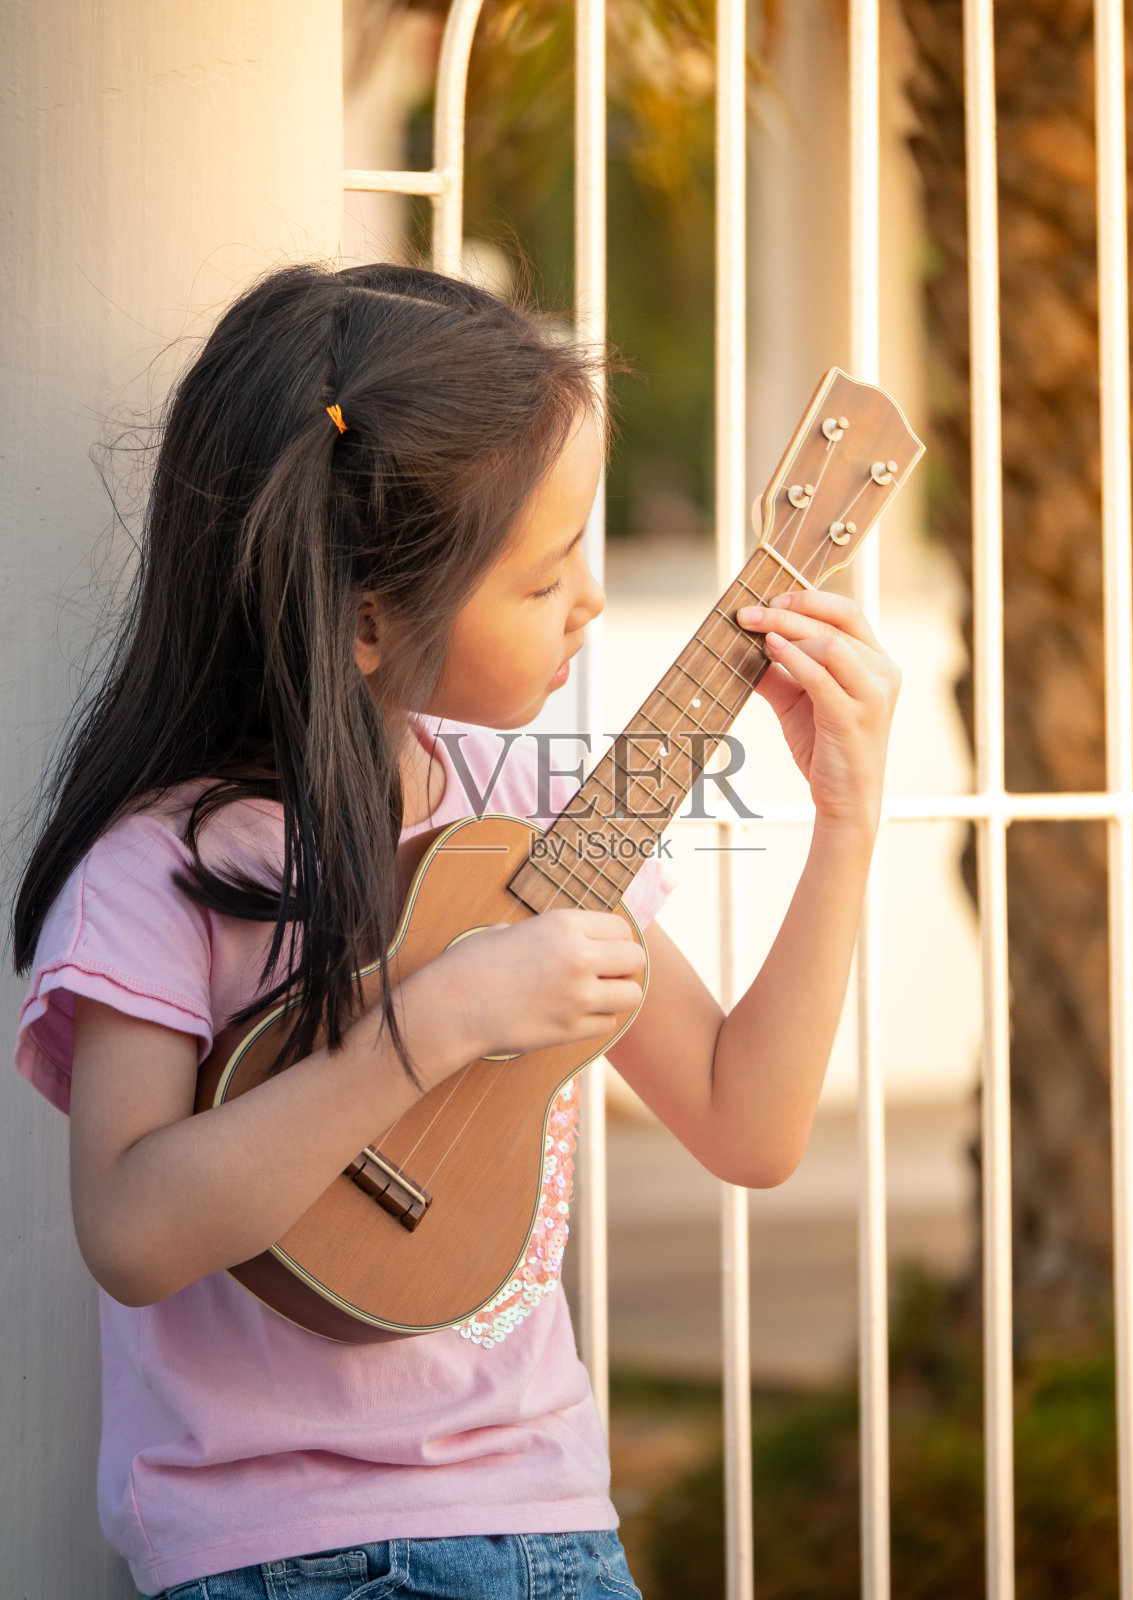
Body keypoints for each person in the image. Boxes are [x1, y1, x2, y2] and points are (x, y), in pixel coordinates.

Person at [11, 262, 900, 1600]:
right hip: (275, 1556)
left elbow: (747, 1121)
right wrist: (433, 1027)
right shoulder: (165, 869)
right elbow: (133, 1234)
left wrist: (846, 817)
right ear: (370, 619)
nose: (592, 601)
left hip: (548, 1524)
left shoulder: (540, 818)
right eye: (547, 576)